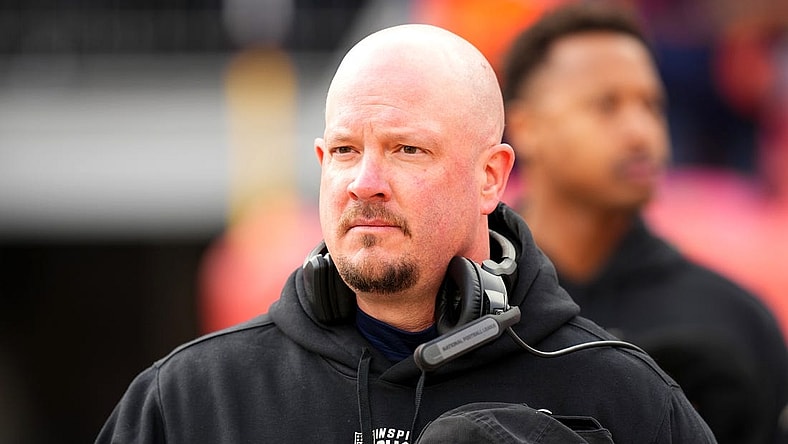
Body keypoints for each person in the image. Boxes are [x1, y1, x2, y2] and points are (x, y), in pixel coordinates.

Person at [96, 23, 716, 443]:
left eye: (407, 149)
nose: (365, 182)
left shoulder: (622, 396)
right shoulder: (188, 401)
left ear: (491, 177)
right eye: (344, 150)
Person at [500, 3, 788, 444]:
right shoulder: (466, 304)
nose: (641, 132)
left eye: (652, 105)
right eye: (606, 105)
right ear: (525, 127)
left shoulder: (733, 319)